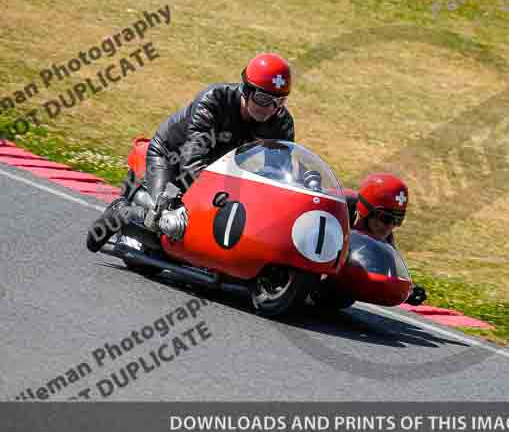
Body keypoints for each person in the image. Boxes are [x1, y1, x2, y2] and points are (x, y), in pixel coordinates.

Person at [87, 52, 295, 252]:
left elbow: (278, 173)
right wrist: (218, 198)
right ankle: (122, 213)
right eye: (262, 98)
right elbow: (192, 159)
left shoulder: (282, 123)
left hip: (220, 171)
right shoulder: (213, 100)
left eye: (279, 101)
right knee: (168, 225)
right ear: (247, 90)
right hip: (171, 157)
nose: (269, 108)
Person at [346, 173, 427, 305]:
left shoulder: (384, 234)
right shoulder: (339, 211)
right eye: (386, 218)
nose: (390, 227)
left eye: (397, 220)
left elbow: (390, 275)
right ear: (366, 211)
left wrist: (410, 292)